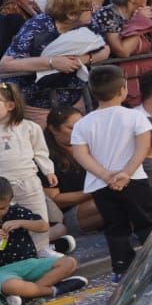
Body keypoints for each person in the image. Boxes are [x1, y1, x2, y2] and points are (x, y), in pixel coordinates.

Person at [69, 66, 152, 280]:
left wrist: (106, 175)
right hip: (133, 179)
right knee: (146, 223)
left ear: (92, 91)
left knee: (115, 227)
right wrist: (126, 173)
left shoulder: (82, 123)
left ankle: (121, 269)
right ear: (123, 89)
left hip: (101, 185)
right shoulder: (134, 117)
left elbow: (80, 154)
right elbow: (143, 147)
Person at [0, 0, 103, 125]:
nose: (94, 10)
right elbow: (5, 64)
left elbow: (105, 48)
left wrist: (84, 59)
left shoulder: (87, 22)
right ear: (71, 15)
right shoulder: (38, 26)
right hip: (39, 105)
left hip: (75, 99)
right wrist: (52, 62)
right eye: (89, 8)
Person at [0, 176, 86, 305]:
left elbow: (43, 226)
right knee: (12, 286)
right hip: (4, 271)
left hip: (30, 262)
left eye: (2, 208)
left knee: (69, 262)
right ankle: (53, 290)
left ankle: (28, 294)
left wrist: (21, 222)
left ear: (10, 201)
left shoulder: (16, 211)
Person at [0, 82, 55, 251]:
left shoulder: (29, 127)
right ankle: (9, 251)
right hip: (2, 185)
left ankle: (42, 249)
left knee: (37, 214)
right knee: (5, 219)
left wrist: (48, 170)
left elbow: (40, 151)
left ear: (10, 105)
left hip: (28, 180)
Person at [43, 106, 103, 250]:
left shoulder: (89, 147)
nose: (79, 131)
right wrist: (92, 191)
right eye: (71, 128)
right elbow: (55, 199)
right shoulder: (46, 159)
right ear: (54, 129)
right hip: (68, 216)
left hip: (97, 198)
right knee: (106, 201)